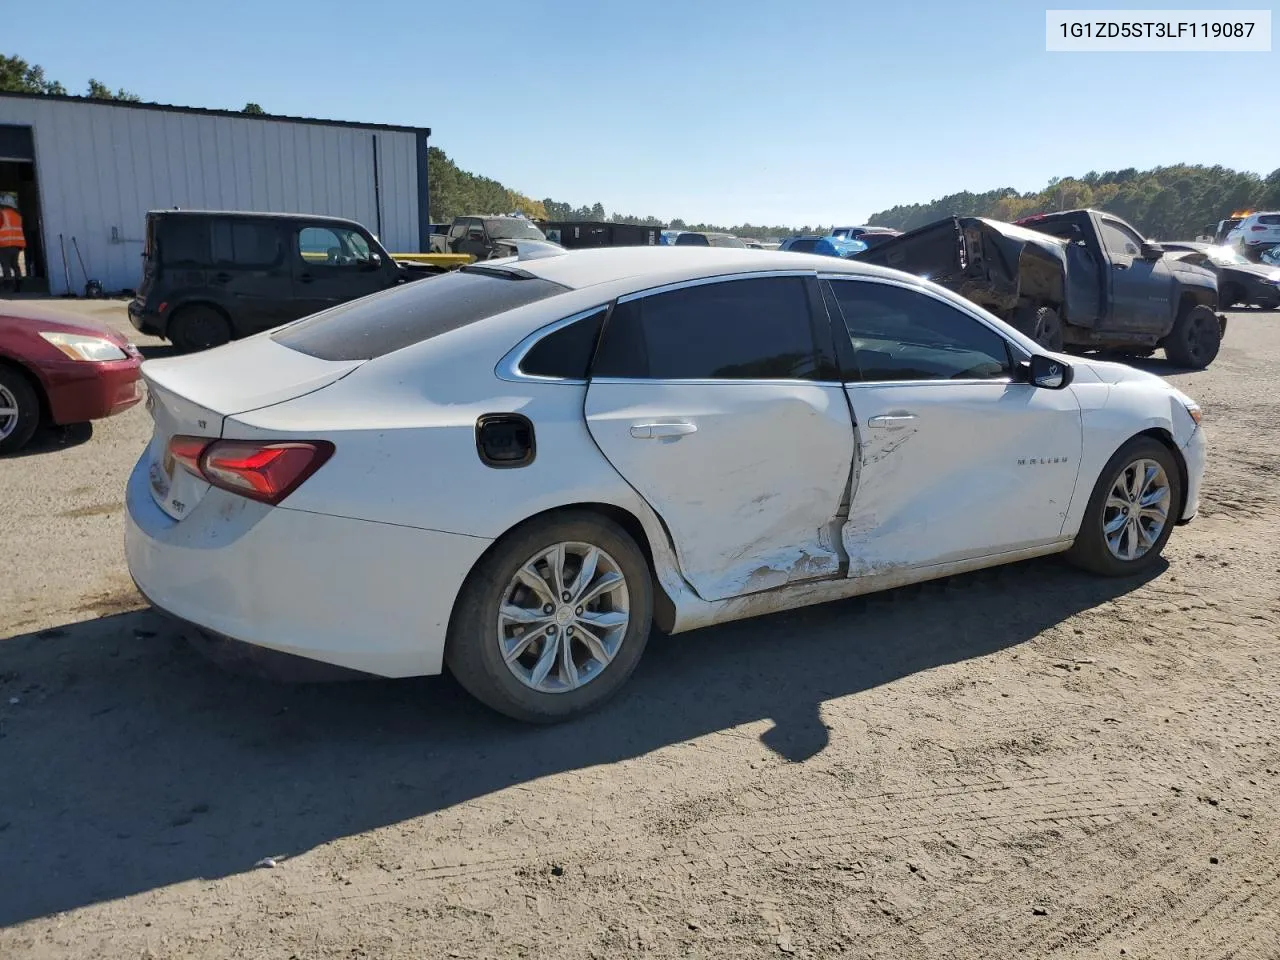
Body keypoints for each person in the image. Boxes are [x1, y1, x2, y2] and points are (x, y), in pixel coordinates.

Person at [0, 194, 25, 292]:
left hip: (5, 244)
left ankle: (7, 282)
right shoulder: (17, 215)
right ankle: (19, 280)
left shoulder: (2, 214)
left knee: (5, 264)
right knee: (15, 264)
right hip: (17, 244)